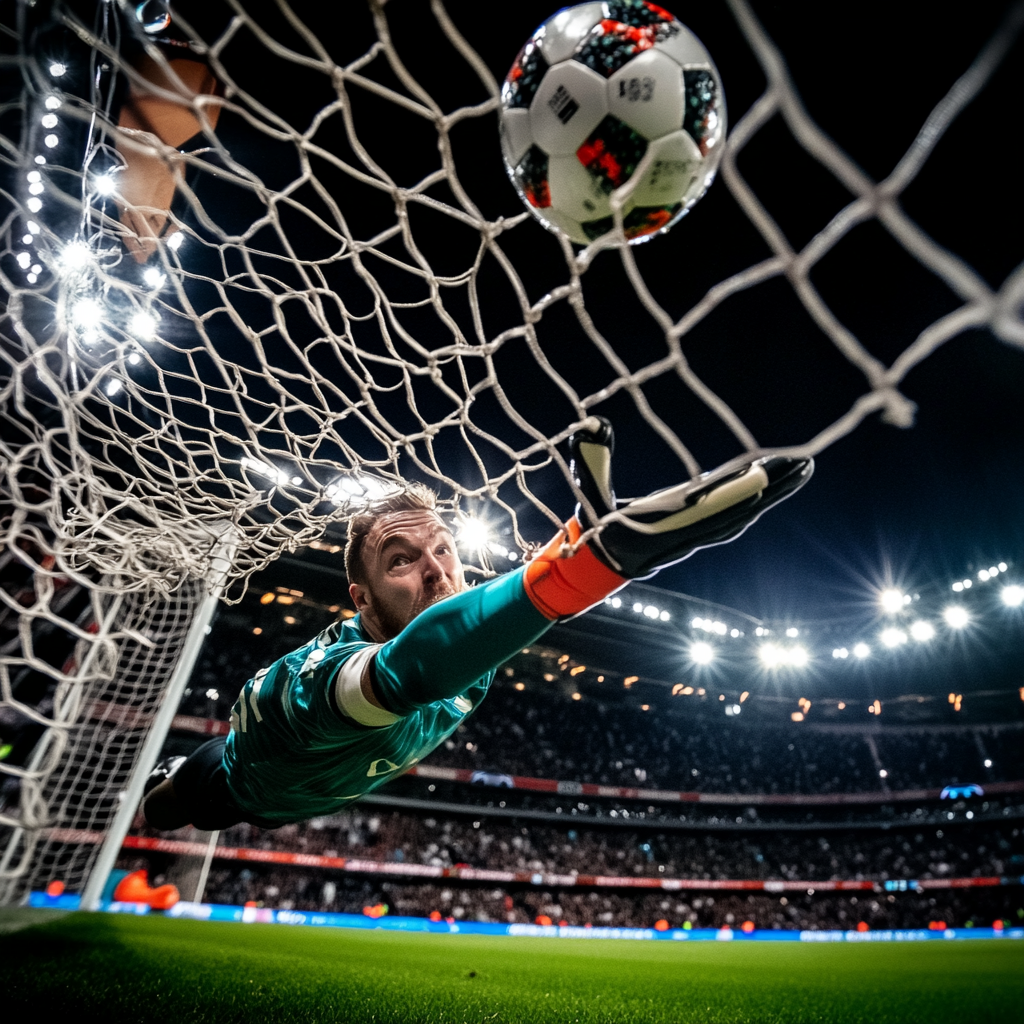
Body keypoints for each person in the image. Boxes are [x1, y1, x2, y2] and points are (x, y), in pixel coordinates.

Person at [143, 419, 812, 830]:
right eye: (400, 561)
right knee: (178, 806)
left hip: (321, 784)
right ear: (363, 600)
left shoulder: (473, 649)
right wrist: (586, 569)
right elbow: (406, 670)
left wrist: (576, 544)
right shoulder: (311, 685)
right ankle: (159, 792)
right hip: (247, 787)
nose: (435, 571)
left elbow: (468, 634)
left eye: (444, 550)